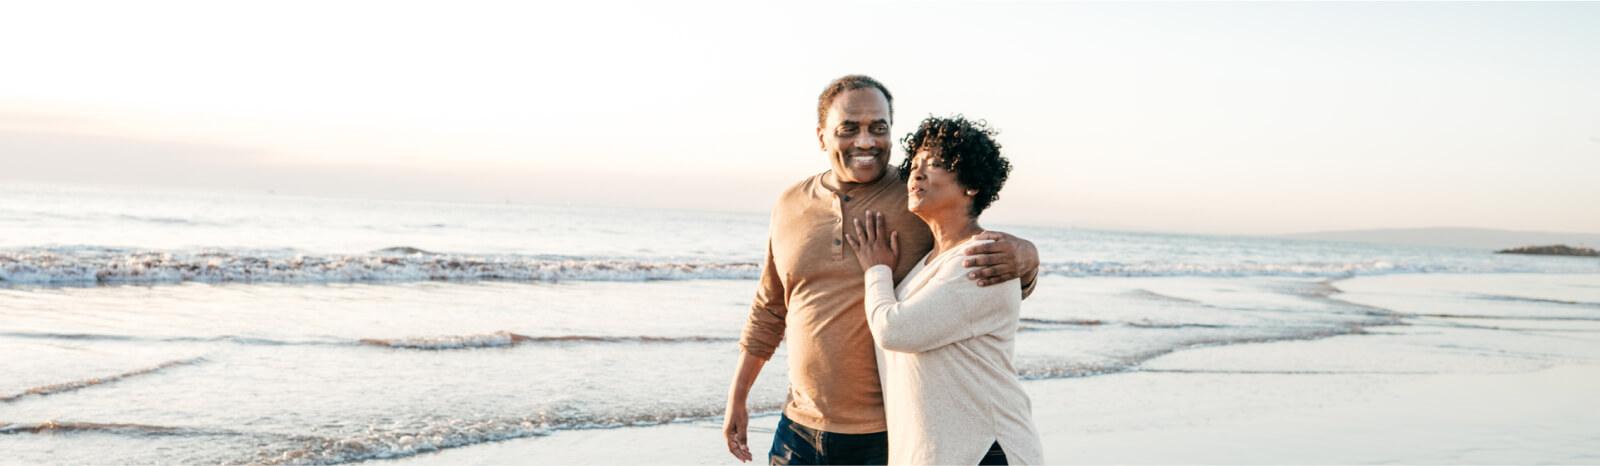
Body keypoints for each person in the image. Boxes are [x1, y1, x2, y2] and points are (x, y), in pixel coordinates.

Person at [722, 75, 1040, 465]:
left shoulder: (916, 198)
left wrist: (1028, 258)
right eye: (848, 129)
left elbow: (971, 261)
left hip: (887, 434)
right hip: (798, 429)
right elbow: (770, 308)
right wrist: (738, 397)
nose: (866, 141)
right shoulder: (790, 204)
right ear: (822, 136)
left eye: (879, 128)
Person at [848, 115, 1043, 465]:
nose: (917, 174)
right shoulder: (928, 265)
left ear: (971, 184)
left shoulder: (981, 257)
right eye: (915, 165)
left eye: (935, 164)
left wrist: (876, 269)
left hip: (984, 451)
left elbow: (894, 330)